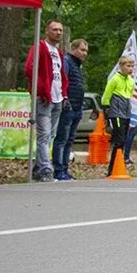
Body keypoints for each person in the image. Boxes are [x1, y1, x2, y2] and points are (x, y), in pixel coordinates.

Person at [24, 19, 68, 182]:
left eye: (60, 30)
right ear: (47, 31)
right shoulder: (40, 47)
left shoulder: (58, 52)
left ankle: (38, 167)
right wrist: (40, 88)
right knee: (44, 135)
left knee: (50, 135)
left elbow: (61, 73)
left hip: (57, 97)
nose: (58, 32)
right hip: (43, 98)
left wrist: (64, 92)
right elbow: (29, 68)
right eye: (55, 29)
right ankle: (45, 170)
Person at [52, 38, 88, 180]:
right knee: (62, 138)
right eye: (82, 50)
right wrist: (65, 100)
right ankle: (58, 169)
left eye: (86, 51)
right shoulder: (67, 62)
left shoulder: (78, 66)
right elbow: (63, 81)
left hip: (77, 107)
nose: (84, 53)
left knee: (70, 139)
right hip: (69, 106)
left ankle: (65, 169)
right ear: (73, 49)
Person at [102, 56, 136, 176]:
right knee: (119, 139)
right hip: (116, 112)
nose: (130, 68)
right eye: (128, 66)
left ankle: (118, 165)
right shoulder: (115, 79)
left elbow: (130, 95)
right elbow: (107, 94)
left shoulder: (131, 81)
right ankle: (112, 168)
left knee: (123, 140)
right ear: (121, 66)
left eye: (132, 66)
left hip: (126, 112)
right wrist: (106, 108)